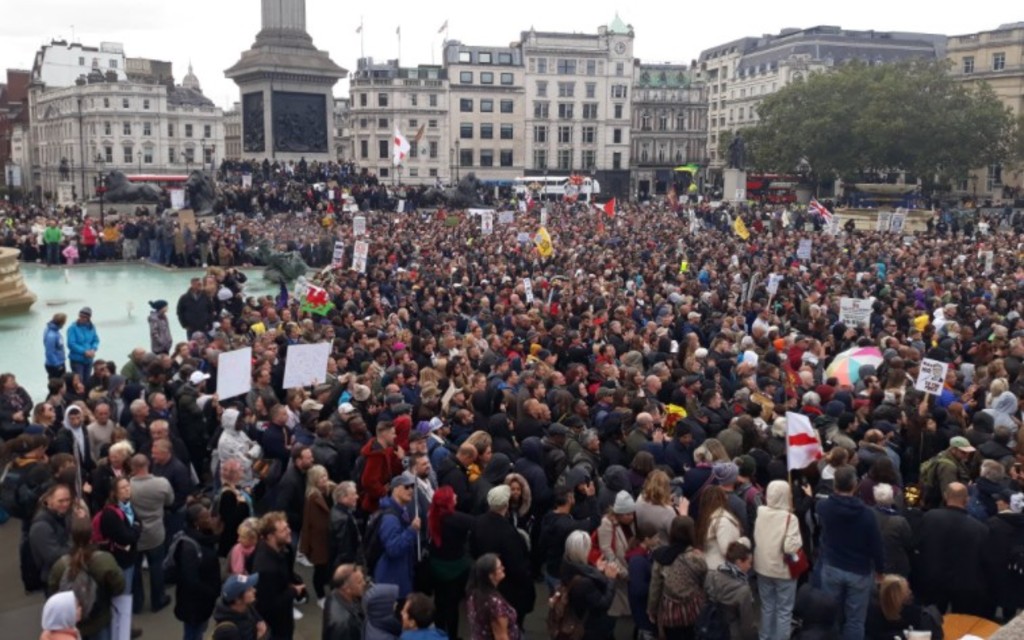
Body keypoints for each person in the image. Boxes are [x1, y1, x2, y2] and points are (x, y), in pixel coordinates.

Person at [817, 465, 885, 640]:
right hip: (859, 571)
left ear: (834, 484)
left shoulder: (824, 507)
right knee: (855, 620)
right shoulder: (867, 514)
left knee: (830, 615)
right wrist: (880, 570)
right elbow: (876, 545)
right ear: (855, 485)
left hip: (832, 566)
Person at [917, 481, 990, 617]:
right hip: (965, 585)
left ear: (945, 496)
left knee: (931, 622)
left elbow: (920, 545)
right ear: (967, 499)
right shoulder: (980, 529)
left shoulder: (929, 518)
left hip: (933, 580)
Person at [48, 516, 126, 640]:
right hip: (99, 619)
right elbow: (119, 586)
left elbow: (52, 591)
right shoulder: (104, 560)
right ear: (92, 535)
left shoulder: (60, 565)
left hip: (72, 624)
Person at [470, 485, 535, 630]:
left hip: (484, 582)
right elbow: (518, 566)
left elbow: (473, 550)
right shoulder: (509, 533)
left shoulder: (477, 522)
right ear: (506, 505)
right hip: (508, 588)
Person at [753, 479, 803, 640]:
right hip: (783, 570)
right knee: (784, 610)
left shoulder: (760, 512)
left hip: (762, 567)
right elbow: (790, 547)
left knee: (767, 607)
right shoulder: (790, 518)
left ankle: (764, 636)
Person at [95, 477, 141, 640]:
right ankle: (120, 632)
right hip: (120, 561)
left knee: (125, 595)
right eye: (122, 488)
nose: (127, 490)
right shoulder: (110, 514)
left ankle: (124, 628)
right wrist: (136, 529)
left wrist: (135, 529)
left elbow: (135, 525)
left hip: (129, 557)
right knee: (121, 596)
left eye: (128, 486)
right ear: (114, 492)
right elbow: (125, 537)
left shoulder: (128, 505)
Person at [648, 516, 707, 640]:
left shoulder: (661, 556)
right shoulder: (697, 557)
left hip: (670, 612)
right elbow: (704, 582)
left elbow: (655, 587)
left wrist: (651, 609)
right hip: (693, 609)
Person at [427, 485, 474, 639]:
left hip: (435, 567)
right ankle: (452, 636)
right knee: (452, 607)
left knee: (440, 604)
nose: (456, 496)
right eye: (453, 495)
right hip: (455, 569)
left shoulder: (432, 517)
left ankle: (440, 634)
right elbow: (476, 525)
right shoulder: (458, 519)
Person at [128, 454, 172, 614]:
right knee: (157, 566)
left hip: (135, 534)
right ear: (148, 464)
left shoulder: (127, 487)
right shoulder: (162, 483)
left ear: (132, 467)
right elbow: (170, 501)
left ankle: (137, 603)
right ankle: (158, 600)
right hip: (156, 532)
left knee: (135, 569)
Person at [252, 512, 306, 640]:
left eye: (287, 527)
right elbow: (268, 604)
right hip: (275, 626)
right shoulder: (266, 567)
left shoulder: (282, 549)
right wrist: (294, 591)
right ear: (270, 536)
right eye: (283, 530)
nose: (289, 531)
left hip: (283, 618)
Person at [172, 503, 222, 640]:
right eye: (206, 517)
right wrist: (211, 591)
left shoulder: (204, 538)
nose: (210, 519)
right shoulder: (189, 547)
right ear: (196, 523)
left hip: (201, 600)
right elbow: (190, 579)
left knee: (198, 630)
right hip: (194, 602)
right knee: (193, 632)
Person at [559, 529, 620, 640]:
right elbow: (603, 603)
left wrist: (595, 570)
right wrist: (611, 579)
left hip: (576, 615)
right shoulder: (585, 583)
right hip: (588, 625)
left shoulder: (566, 564)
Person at [373, 474, 422, 598]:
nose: (411, 490)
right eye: (406, 487)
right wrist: (412, 530)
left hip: (399, 576)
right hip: (392, 580)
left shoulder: (400, 510)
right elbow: (393, 549)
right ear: (395, 489)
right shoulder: (390, 518)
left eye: (412, 486)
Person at [704, 540, 757, 640]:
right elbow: (747, 625)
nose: (750, 567)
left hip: (712, 628)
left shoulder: (713, 576)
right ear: (738, 562)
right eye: (749, 563)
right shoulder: (743, 591)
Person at [865, 574, 942, 639]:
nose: (910, 592)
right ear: (895, 596)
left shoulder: (912, 608)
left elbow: (933, 634)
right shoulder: (873, 613)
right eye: (906, 591)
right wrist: (902, 635)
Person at [299, 464, 333, 606]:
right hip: (318, 540)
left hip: (328, 538)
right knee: (319, 569)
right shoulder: (312, 498)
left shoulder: (330, 490)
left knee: (326, 566)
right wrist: (306, 546)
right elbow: (307, 524)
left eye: (325, 475)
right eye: (321, 477)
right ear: (314, 480)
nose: (325, 479)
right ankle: (320, 596)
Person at [31, 483, 75, 593]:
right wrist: (76, 548)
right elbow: (53, 555)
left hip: (67, 574)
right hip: (55, 579)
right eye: (60, 501)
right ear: (48, 500)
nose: (65, 504)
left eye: (68, 500)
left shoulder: (62, 516)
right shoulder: (41, 526)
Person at [466, 553, 520, 640]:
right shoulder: (495, 605)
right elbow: (501, 637)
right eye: (499, 567)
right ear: (490, 575)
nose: (503, 568)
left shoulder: (474, 595)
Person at [695, 485, 742, 573]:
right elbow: (727, 550)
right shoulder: (722, 521)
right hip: (720, 570)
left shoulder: (708, 519)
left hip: (712, 568)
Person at [211, 574, 267, 640]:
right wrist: (259, 636)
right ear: (238, 600)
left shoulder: (246, 606)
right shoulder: (227, 631)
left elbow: (258, 620)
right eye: (249, 589)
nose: (254, 590)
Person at [322, 564, 366, 640]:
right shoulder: (343, 625)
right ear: (347, 589)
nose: (364, 583)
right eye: (359, 582)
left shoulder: (335, 594)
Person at [328, 482, 361, 570]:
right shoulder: (344, 520)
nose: (357, 497)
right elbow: (345, 551)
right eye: (354, 494)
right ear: (343, 498)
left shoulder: (337, 511)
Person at [67, 308, 99, 386]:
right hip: (77, 359)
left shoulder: (92, 327)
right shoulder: (73, 328)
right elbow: (71, 344)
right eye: (80, 316)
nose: (81, 318)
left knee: (87, 381)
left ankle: (86, 397)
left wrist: (93, 349)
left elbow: (96, 340)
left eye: (84, 317)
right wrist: (84, 351)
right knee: (79, 381)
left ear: (88, 318)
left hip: (89, 359)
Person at [44, 314, 69, 380]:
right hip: (55, 365)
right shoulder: (51, 335)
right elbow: (49, 352)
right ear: (61, 323)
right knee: (57, 384)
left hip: (58, 362)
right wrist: (57, 365)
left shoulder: (52, 330)